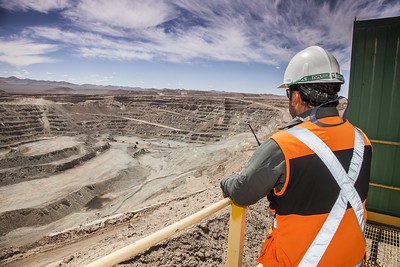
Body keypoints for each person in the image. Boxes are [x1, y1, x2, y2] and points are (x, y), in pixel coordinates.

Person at [220, 46, 372, 266]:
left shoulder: (283, 145)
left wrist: (226, 182)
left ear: (296, 97)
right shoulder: (363, 140)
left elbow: (242, 192)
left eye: (289, 92)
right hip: (352, 259)